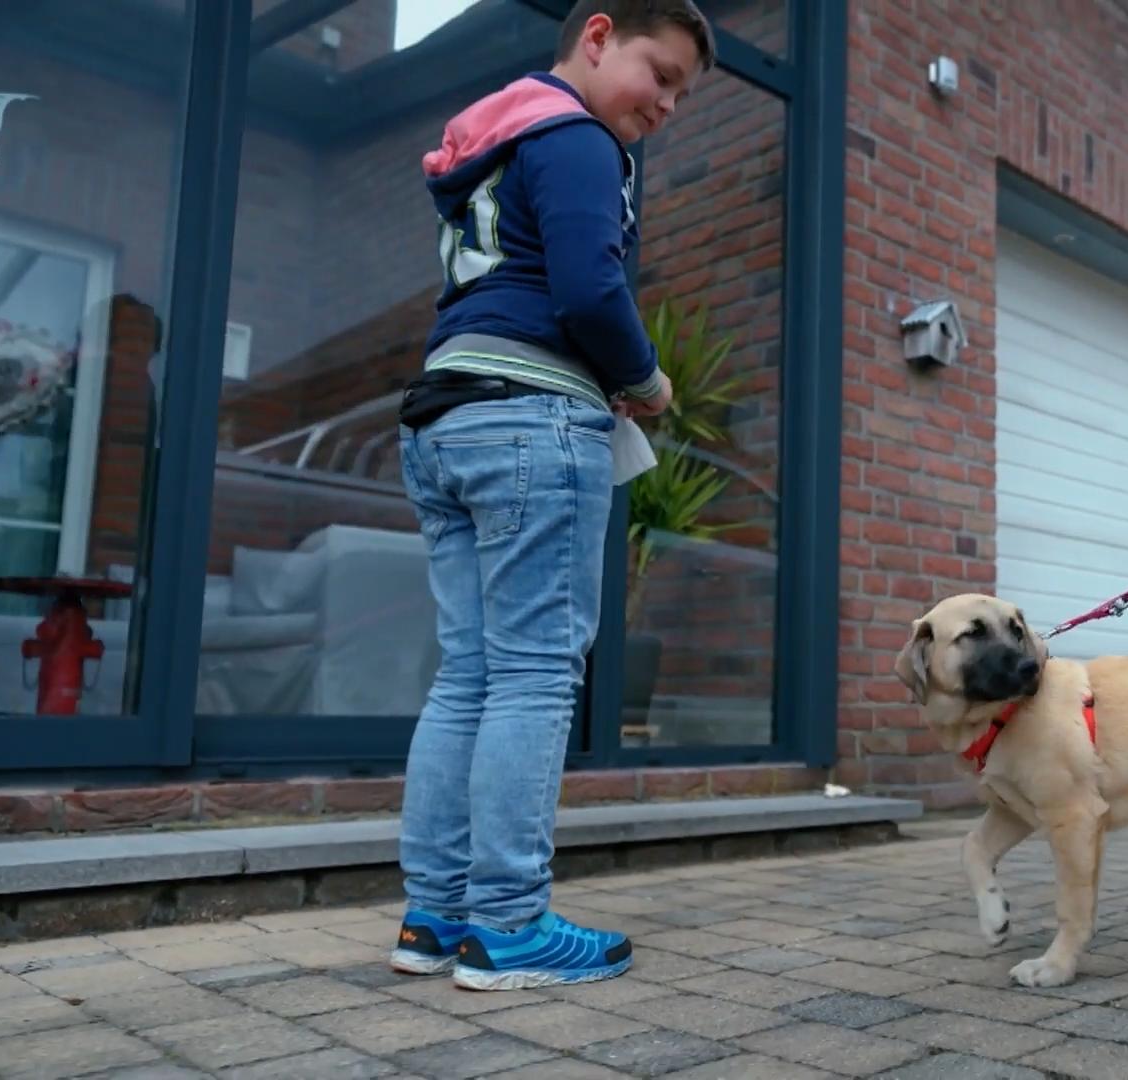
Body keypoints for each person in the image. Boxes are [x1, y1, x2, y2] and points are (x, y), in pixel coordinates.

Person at [387, 0, 713, 989]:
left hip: (446, 419)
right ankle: (511, 925)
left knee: (470, 674)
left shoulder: (492, 144)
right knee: (532, 672)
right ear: (600, 34)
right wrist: (648, 381)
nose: (665, 104)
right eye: (659, 74)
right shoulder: (575, 136)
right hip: (532, 421)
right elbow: (586, 290)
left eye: (682, 95)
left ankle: (436, 916)